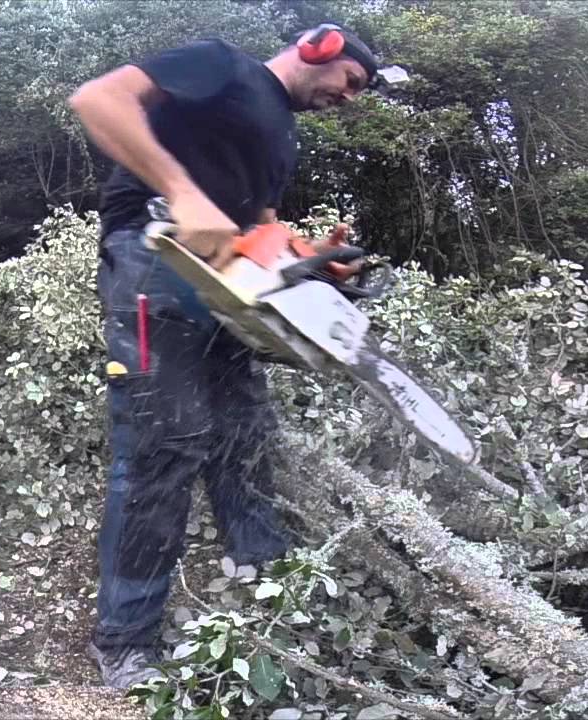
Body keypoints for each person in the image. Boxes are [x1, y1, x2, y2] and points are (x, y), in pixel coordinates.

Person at [66, 23, 383, 688]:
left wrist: (311, 264)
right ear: (319, 47)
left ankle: (272, 587)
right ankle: (124, 638)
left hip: (228, 288)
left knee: (245, 434)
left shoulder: (281, 135)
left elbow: (258, 232)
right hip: (155, 264)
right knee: (164, 445)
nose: (349, 97)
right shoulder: (222, 67)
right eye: (349, 81)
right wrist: (182, 192)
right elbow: (97, 100)